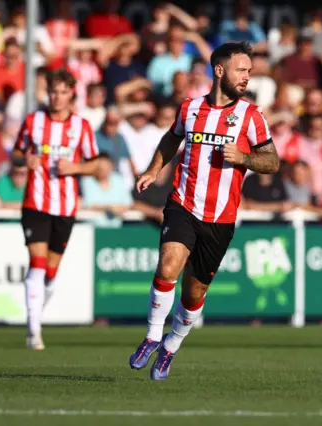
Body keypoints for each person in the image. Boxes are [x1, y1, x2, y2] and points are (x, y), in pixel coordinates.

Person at [129, 41, 280, 380]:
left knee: (194, 292)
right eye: (241, 70)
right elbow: (171, 140)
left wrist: (244, 158)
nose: (246, 77)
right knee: (168, 264)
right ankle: (152, 336)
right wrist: (154, 170)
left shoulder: (251, 116)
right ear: (220, 70)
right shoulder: (190, 108)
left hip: (221, 219)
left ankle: (170, 346)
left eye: (249, 72)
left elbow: (272, 161)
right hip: (183, 204)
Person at [11, 69, 100, 351]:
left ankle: (36, 316)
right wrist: (25, 159)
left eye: (63, 92)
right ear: (47, 92)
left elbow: (95, 163)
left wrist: (76, 167)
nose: (57, 97)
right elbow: (15, 153)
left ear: (71, 94)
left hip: (65, 205)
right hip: (35, 202)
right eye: (53, 91)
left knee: (51, 272)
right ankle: (33, 330)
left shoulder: (81, 126)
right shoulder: (33, 121)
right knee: (36, 265)